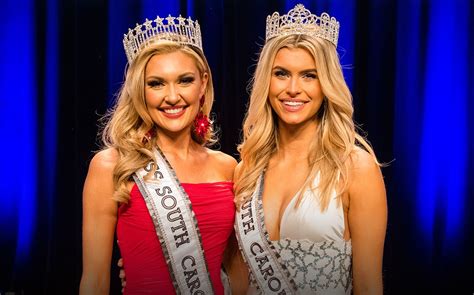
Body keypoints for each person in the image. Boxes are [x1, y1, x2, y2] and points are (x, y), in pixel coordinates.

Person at [233, 4, 387, 294]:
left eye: (309, 75)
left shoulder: (354, 168)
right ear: (266, 80)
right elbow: (238, 279)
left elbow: (368, 285)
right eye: (281, 73)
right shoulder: (247, 169)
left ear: (326, 84)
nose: (293, 88)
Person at [79, 14, 237, 295]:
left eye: (184, 80)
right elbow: (94, 282)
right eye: (156, 83)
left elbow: (239, 275)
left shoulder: (228, 168)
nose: (172, 96)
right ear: (140, 90)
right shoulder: (112, 166)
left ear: (203, 84)